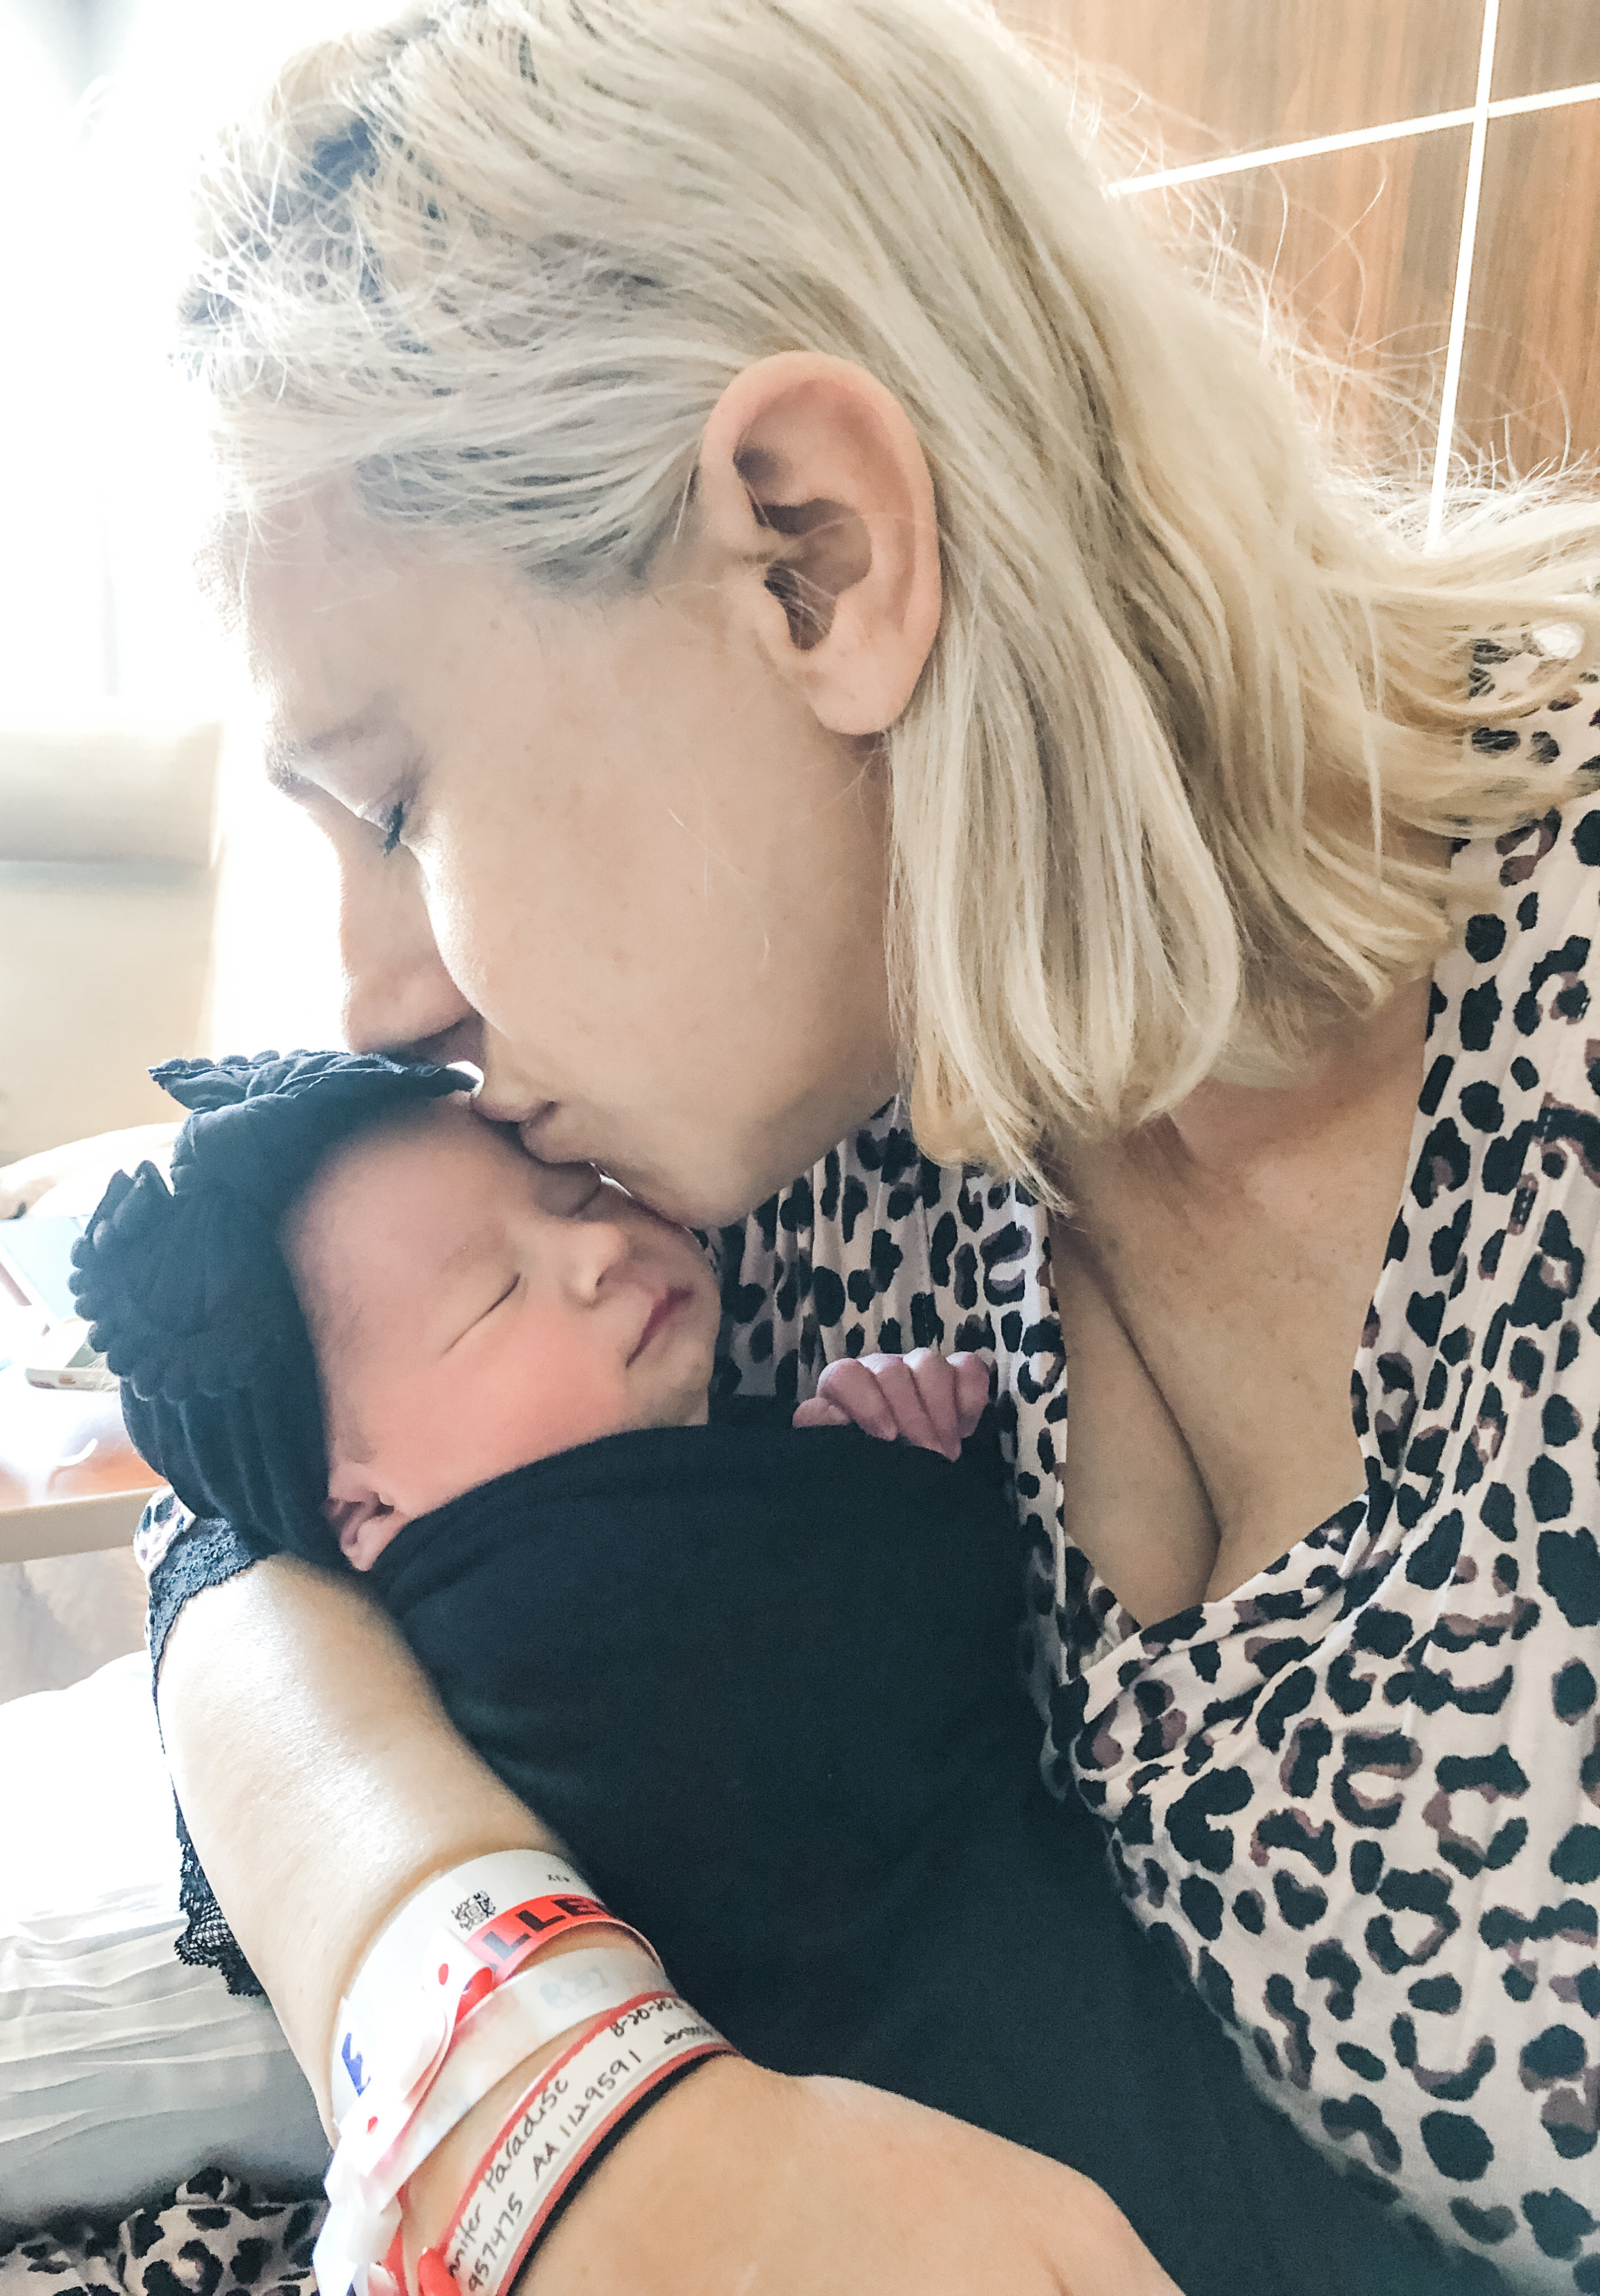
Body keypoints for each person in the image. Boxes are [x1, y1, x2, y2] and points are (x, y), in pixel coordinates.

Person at [11, 0, 1598, 2285]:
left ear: (811, 557)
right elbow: (243, 1485)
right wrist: (511, 2057)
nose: (368, 1002)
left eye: (392, 803)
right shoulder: (788, 1109)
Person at [76, 1051, 1493, 2295]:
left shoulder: (715, 1236)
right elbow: (821, 1688)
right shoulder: (526, 1589)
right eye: (497, 1293)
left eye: (576, 1197)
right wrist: (881, 1491)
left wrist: (822, 1469)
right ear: (361, 1514)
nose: (595, 1249)